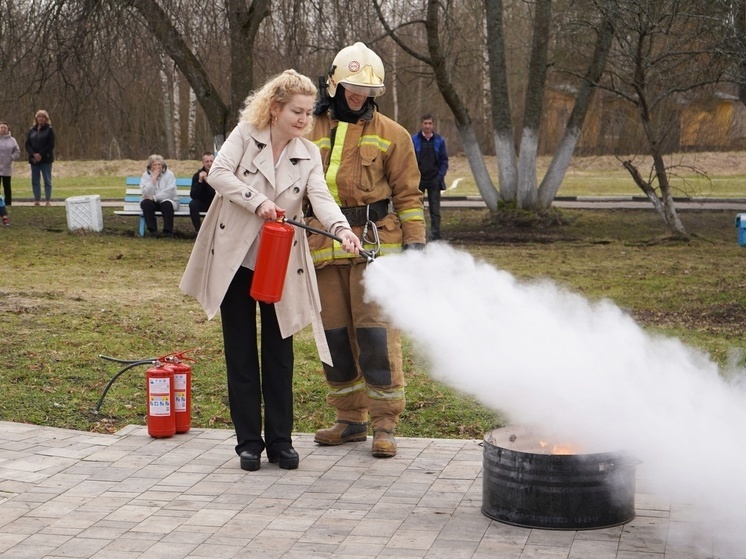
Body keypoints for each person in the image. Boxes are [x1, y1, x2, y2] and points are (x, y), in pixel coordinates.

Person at [179, 70, 363, 472]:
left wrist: (342, 231)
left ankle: (281, 441)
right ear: (275, 108)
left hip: (280, 264)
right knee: (240, 352)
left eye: (308, 112)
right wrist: (256, 201)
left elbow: (322, 198)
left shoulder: (310, 153)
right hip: (235, 260)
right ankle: (248, 443)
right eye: (296, 111)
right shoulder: (246, 134)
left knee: (280, 354)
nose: (303, 119)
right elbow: (218, 174)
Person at [307, 42, 426, 458]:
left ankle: (384, 423)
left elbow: (409, 196)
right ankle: (350, 419)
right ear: (335, 84)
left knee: (375, 334)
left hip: (376, 246)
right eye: (352, 88)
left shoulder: (393, 134)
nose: (359, 96)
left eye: (366, 91)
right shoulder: (310, 128)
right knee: (334, 336)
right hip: (322, 246)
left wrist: (415, 245)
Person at [412, 113, 449, 241]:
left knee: (435, 211)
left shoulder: (439, 141)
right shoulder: (414, 140)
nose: (427, 126)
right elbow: (410, 160)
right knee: (417, 209)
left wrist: (439, 177)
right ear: (421, 124)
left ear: (433, 125)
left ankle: (436, 236)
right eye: (425, 123)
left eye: (430, 123)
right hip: (419, 180)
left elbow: (444, 161)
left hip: (434, 180)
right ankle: (418, 235)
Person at [139, 154, 179, 237]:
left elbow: (170, 192)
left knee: (167, 204)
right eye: (155, 165)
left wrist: (154, 197)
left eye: (159, 164)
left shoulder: (169, 174)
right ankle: (153, 231)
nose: (157, 167)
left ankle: (168, 231)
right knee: (146, 203)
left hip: (169, 200)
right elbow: (145, 193)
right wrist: (153, 179)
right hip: (152, 202)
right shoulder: (145, 176)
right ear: (150, 166)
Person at [25, 110, 55, 206]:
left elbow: (51, 144)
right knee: (35, 180)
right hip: (34, 159)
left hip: (45, 158)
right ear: (36, 118)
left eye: (43, 117)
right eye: (39, 117)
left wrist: (40, 154)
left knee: (47, 180)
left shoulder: (49, 130)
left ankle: (48, 200)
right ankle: (37, 200)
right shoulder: (32, 130)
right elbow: (27, 144)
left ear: (46, 119)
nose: (41, 119)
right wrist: (33, 154)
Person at [189, 151, 215, 232]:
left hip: (214, 202)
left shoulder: (218, 174)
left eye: (211, 161)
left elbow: (216, 194)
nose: (209, 163)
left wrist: (208, 182)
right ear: (203, 162)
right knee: (193, 204)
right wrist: (200, 181)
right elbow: (193, 195)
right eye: (207, 161)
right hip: (202, 203)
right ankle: (198, 231)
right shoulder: (197, 175)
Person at [0, 121, 20, 207]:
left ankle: (8, 203)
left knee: (7, 186)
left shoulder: (12, 140)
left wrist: (12, 157)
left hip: (7, 167)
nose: (3, 129)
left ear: (8, 129)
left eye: (5, 128)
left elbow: (17, 151)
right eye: (1, 127)